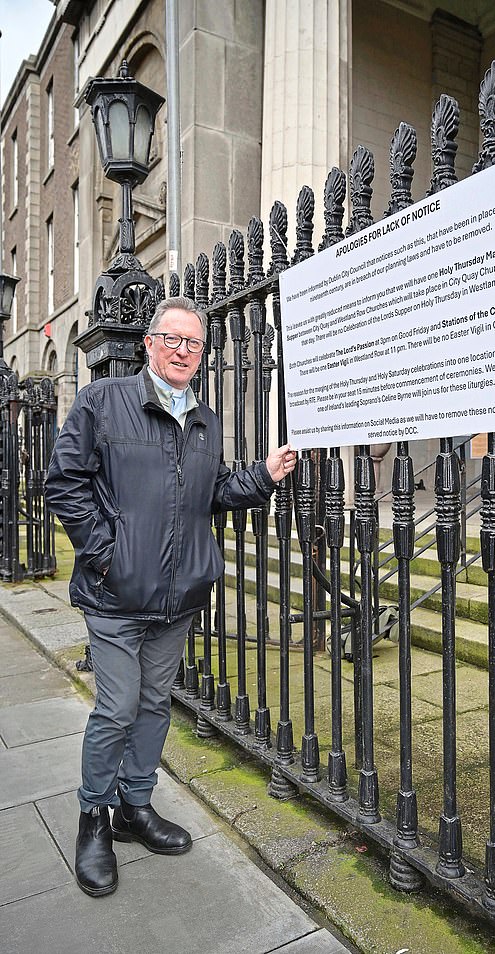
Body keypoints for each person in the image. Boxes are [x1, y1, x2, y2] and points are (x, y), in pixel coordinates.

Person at [45, 296, 296, 897]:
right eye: (173, 339)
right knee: (118, 706)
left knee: (156, 703)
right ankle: (93, 819)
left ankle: (135, 808)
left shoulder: (204, 421)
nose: (183, 350)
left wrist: (262, 475)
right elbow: (63, 481)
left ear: (202, 354)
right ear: (150, 344)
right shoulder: (103, 403)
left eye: (194, 343)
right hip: (115, 595)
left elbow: (209, 496)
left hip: (178, 596)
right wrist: (107, 554)